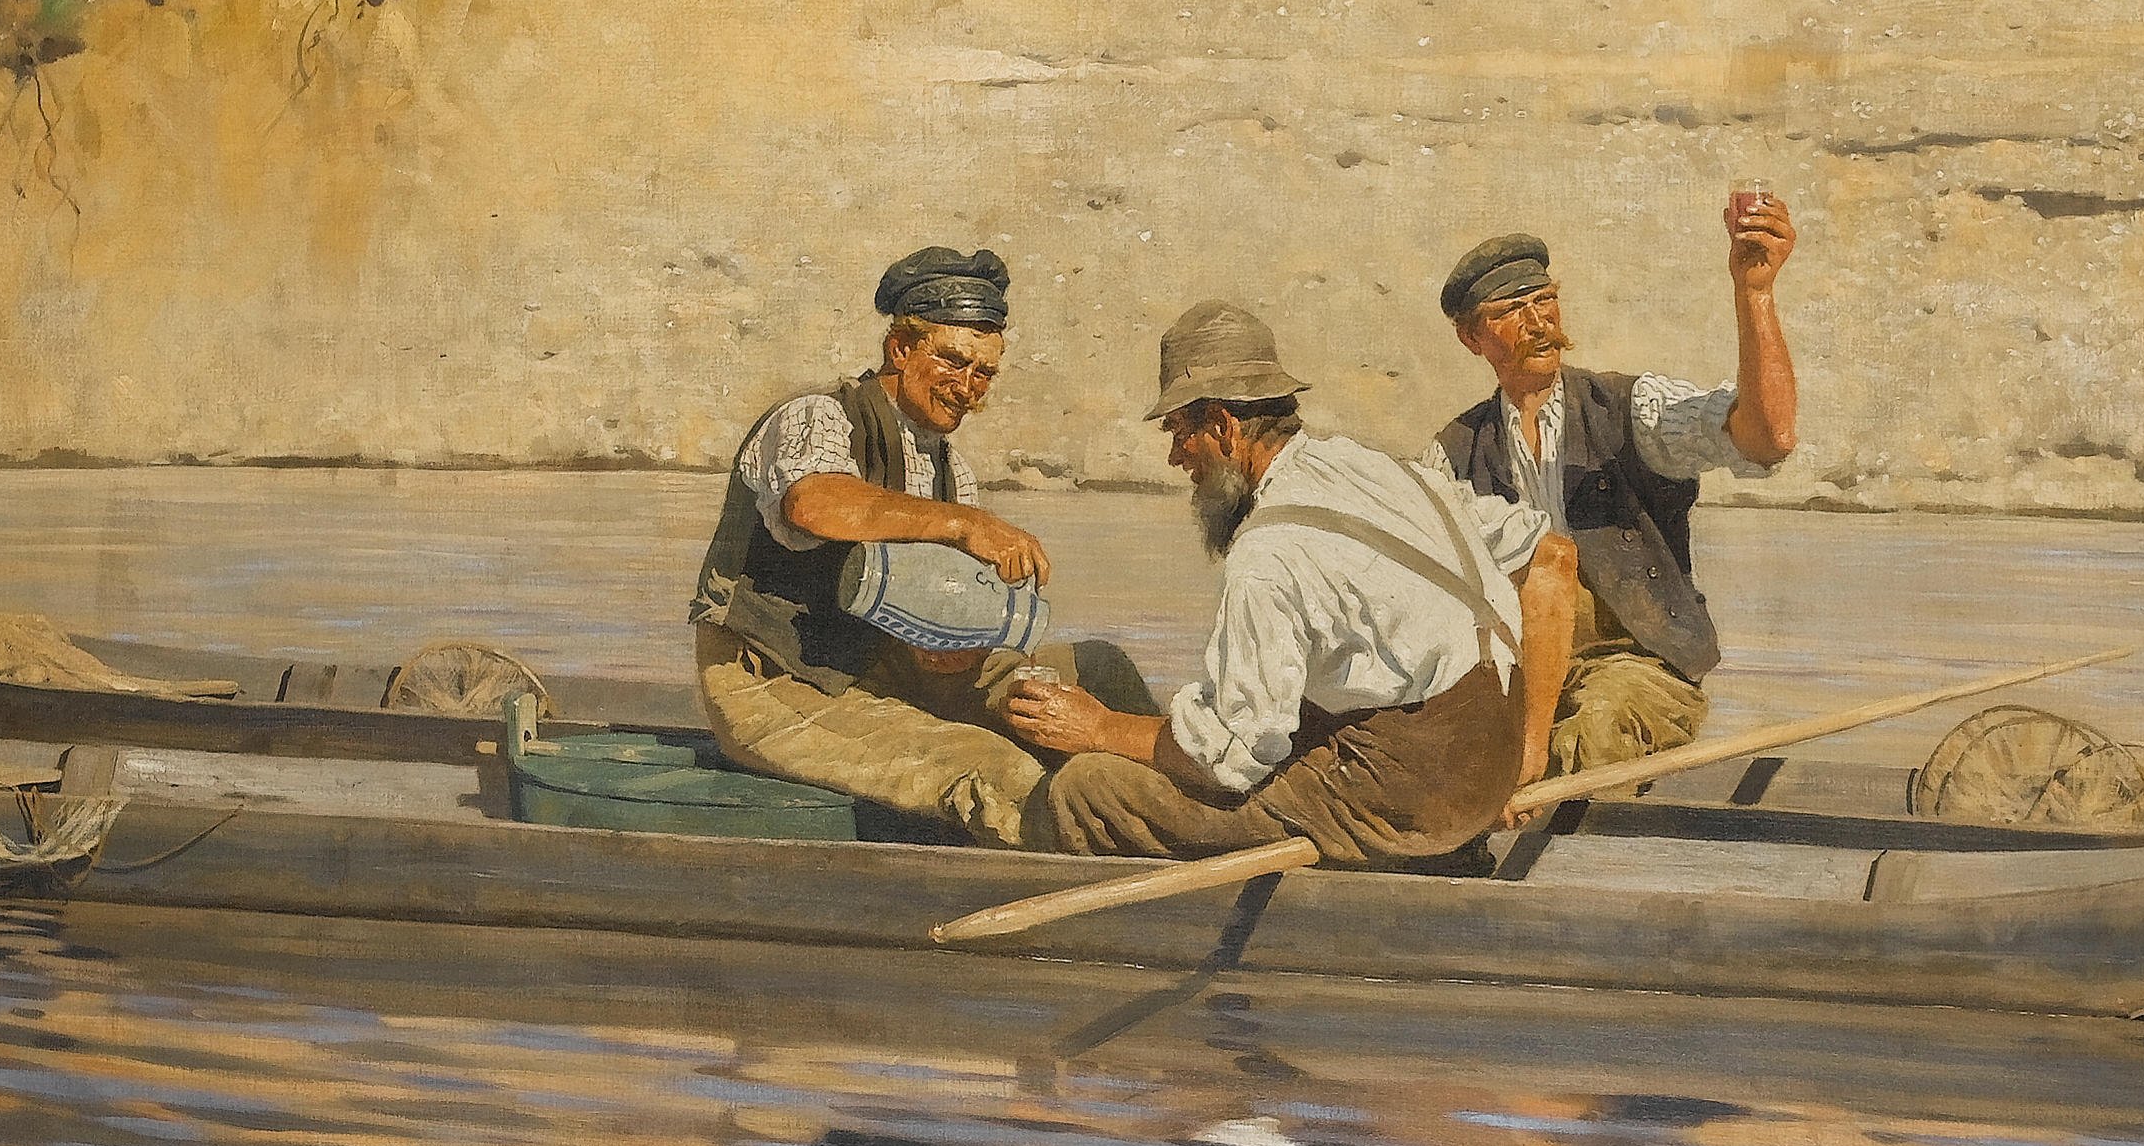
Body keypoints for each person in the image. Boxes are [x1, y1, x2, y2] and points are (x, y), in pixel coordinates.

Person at [1002, 300, 1583, 864]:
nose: (1177, 458)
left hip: (1409, 804)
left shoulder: (1266, 553)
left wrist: (1099, 727)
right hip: (1491, 765)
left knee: (1089, 786)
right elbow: (1552, 557)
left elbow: (1232, 758)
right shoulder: (1374, 467)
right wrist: (1529, 753)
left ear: (1223, 426)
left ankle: (1405, 863)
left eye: (1180, 432)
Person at [684, 245, 1147, 844]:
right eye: (953, 362)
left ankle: (1185, 807)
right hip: (777, 684)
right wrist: (963, 525)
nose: (968, 388)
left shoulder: (952, 471)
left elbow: (937, 606)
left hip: (885, 673)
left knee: (1098, 671)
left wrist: (955, 650)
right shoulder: (817, 417)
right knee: (999, 772)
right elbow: (815, 503)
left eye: (984, 374)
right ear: (899, 349)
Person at [1425, 199, 1797, 784]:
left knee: (1590, 736)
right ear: (1471, 337)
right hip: (1516, 674)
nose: (1538, 322)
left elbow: (1767, 439)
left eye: (1544, 300)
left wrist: (1755, 294)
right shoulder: (1450, 454)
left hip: (1637, 669)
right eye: (1513, 310)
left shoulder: (1629, 410)